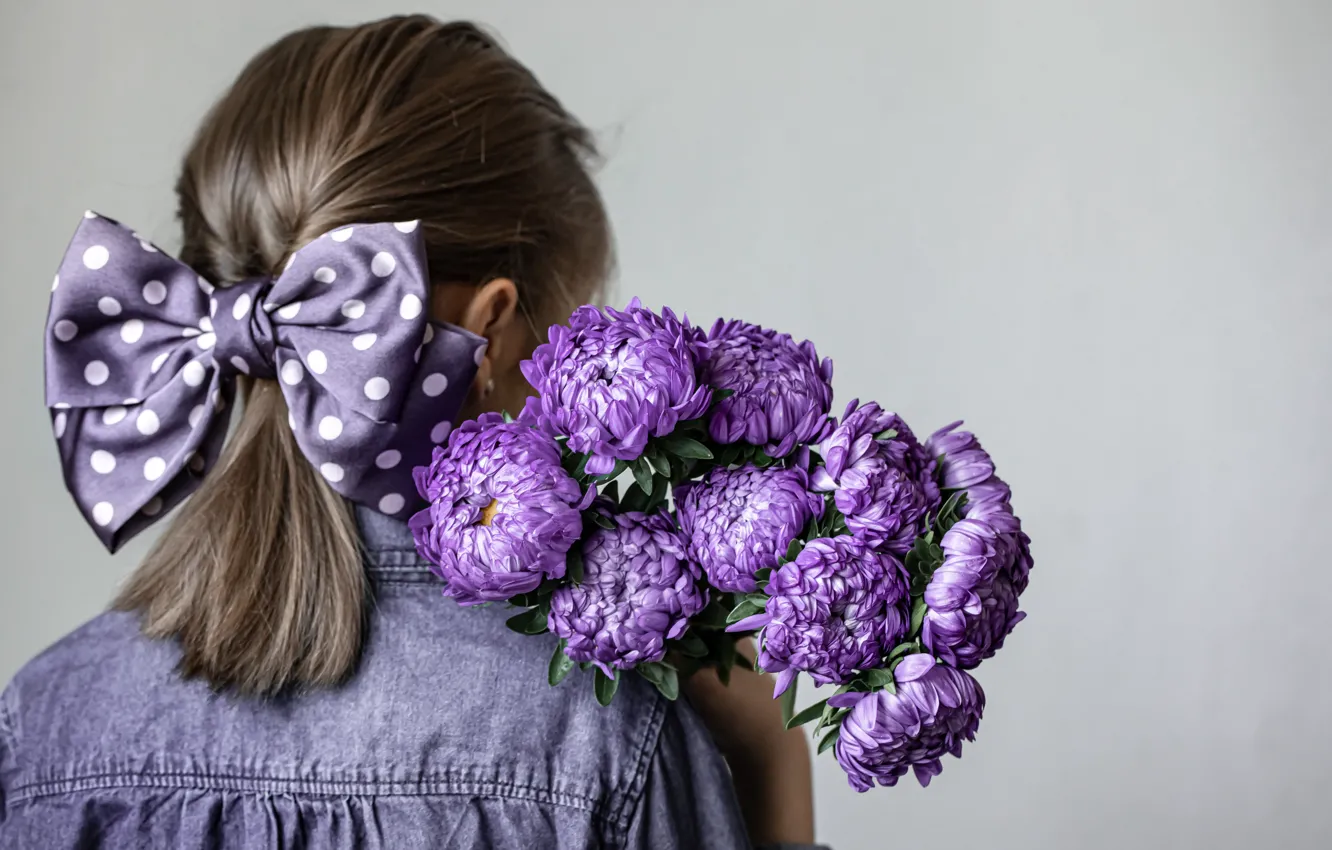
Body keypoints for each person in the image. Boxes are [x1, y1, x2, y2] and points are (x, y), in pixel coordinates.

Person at [0, 15, 828, 850]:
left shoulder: (40, 721)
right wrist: (770, 759)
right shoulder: (604, 738)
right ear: (492, 336)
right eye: (574, 337)